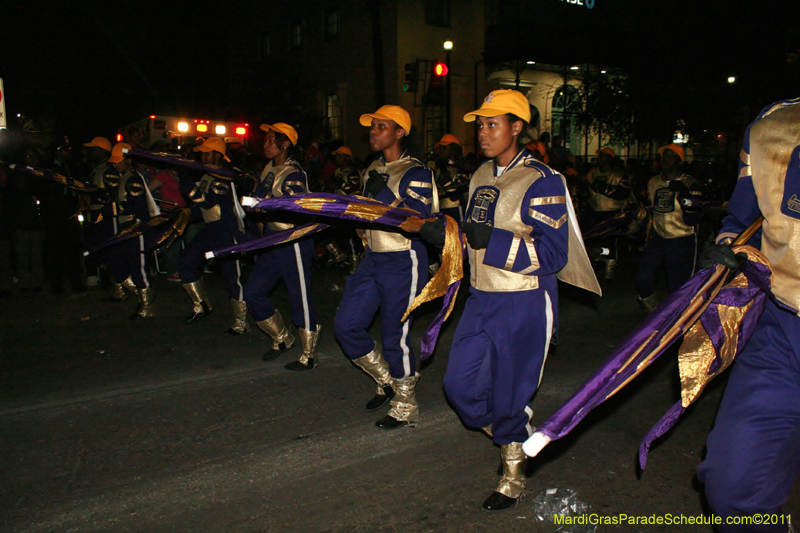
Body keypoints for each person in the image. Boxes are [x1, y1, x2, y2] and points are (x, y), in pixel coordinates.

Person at [442, 89, 598, 510]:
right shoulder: (478, 175)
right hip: (481, 297)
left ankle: (513, 471)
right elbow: (471, 234)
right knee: (458, 386)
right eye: (480, 124)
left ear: (517, 128)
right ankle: (515, 435)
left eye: (493, 124)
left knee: (511, 392)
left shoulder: (542, 179)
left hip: (524, 300)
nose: (482, 132)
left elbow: (552, 255)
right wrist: (444, 232)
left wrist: (489, 242)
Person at [697, 98, 800, 532]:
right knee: (732, 485)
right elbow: (746, 213)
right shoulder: (771, 125)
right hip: (783, 327)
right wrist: (730, 245)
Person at [333, 105, 437, 430]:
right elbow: (367, 212)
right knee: (346, 325)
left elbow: (416, 219)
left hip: (404, 259)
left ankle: (406, 405)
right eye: (372, 127)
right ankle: (387, 380)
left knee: (395, 335)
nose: (373, 132)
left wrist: (379, 193)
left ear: (400, 132)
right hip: (373, 258)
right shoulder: (372, 169)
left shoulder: (417, 172)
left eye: (381, 126)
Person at [243, 123, 320, 371]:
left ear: (285, 144)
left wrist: (262, 202)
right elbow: (257, 199)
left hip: (292, 238)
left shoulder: (294, 174)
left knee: (300, 296)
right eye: (265, 140)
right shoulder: (269, 168)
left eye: (270, 140)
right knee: (254, 291)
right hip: (272, 238)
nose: (265, 144)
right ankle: (282, 337)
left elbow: (293, 207)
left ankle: (309, 354)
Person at [177, 137, 249, 335]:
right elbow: (206, 210)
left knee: (232, 278)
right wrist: (185, 215)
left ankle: (241, 322)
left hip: (227, 232)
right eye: (202, 152)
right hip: (210, 230)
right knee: (185, 262)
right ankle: (202, 305)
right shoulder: (209, 175)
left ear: (218, 155)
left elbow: (209, 202)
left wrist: (190, 189)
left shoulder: (224, 177)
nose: (203, 155)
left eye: (208, 152)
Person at [634, 143, 702, 312]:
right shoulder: (653, 182)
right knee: (643, 277)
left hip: (682, 238)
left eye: (671, 156)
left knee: (678, 285)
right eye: (664, 155)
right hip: (657, 238)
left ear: (679, 161)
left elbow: (694, 217)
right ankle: (655, 313)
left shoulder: (690, 183)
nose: (666, 159)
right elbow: (649, 210)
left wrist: (684, 196)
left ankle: (678, 321)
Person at [107, 142, 160, 318]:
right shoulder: (124, 177)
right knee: (116, 262)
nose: (116, 164)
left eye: (119, 161)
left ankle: (147, 306)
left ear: (129, 161)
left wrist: (116, 208)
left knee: (139, 266)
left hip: (136, 226)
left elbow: (137, 207)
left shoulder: (133, 179)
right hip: (125, 227)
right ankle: (143, 295)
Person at [584, 147, 630, 279]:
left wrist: (604, 188)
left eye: (604, 156)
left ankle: (609, 266)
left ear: (610, 159)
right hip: (595, 211)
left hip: (612, 213)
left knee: (610, 240)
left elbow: (623, 193)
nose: (600, 159)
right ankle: (597, 264)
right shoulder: (592, 173)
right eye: (600, 156)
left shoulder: (619, 175)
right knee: (594, 240)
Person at [433, 134, 470, 222]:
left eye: (443, 148)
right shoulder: (439, 169)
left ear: (453, 150)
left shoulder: (462, 169)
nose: (440, 151)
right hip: (440, 210)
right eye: (440, 148)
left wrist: (446, 179)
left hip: (455, 211)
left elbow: (457, 196)